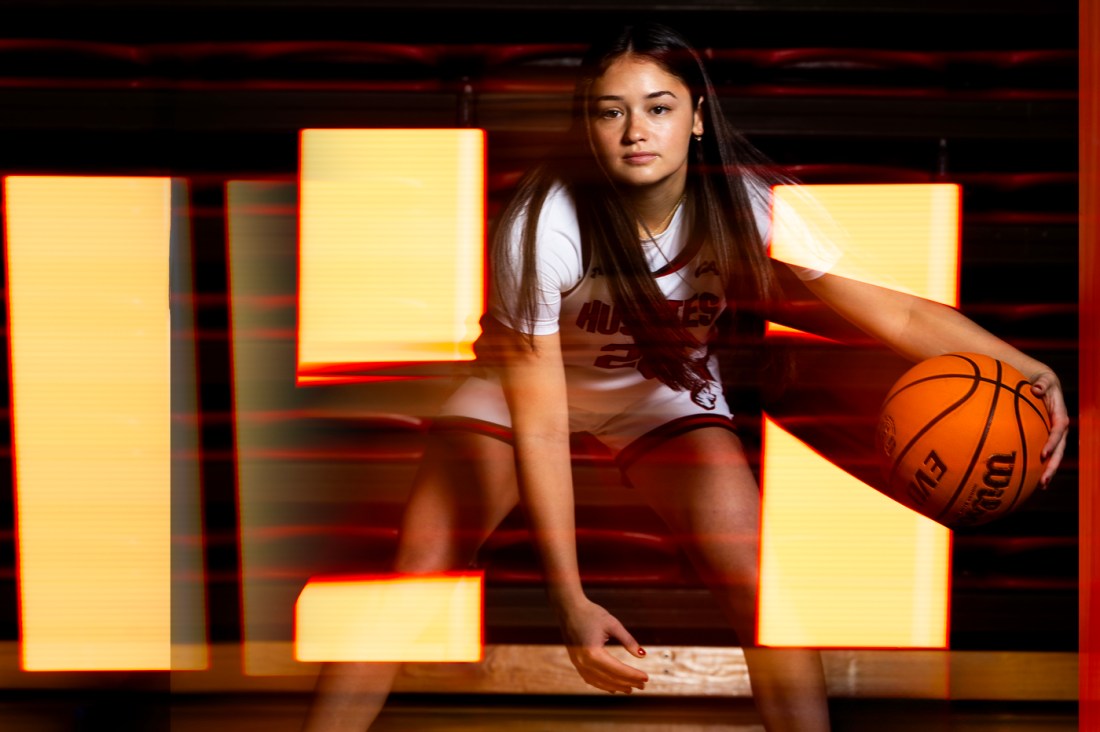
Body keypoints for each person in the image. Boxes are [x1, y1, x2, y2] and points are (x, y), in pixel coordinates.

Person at [302, 21, 1069, 732]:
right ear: (588, 128)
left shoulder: (750, 205)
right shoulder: (545, 225)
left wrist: (1026, 368)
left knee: (768, 592)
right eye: (610, 112)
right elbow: (540, 417)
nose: (636, 131)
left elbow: (895, 317)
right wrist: (570, 601)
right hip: (520, 390)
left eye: (658, 106)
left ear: (696, 116)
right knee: (412, 570)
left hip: (657, 391)